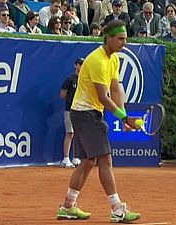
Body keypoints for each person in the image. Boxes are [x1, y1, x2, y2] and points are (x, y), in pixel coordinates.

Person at [56, 20, 141, 223]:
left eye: (125, 39)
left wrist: (124, 117)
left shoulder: (114, 60)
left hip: (87, 113)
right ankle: (117, 209)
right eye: (120, 39)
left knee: (87, 162)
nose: (124, 43)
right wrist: (124, 117)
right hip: (86, 113)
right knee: (105, 160)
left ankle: (68, 206)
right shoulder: (97, 60)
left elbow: (116, 89)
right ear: (108, 38)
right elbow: (103, 97)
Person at [59, 58, 84, 168]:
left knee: (78, 134)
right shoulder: (70, 79)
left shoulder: (85, 80)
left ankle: (76, 157)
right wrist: (72, 102)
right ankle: (65, 159)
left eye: (83, 64)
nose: (82, 66)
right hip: (70, 110)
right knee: (70, 133)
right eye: (80, 64)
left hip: (82, 110)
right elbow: (62, 95)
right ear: (75, 65)